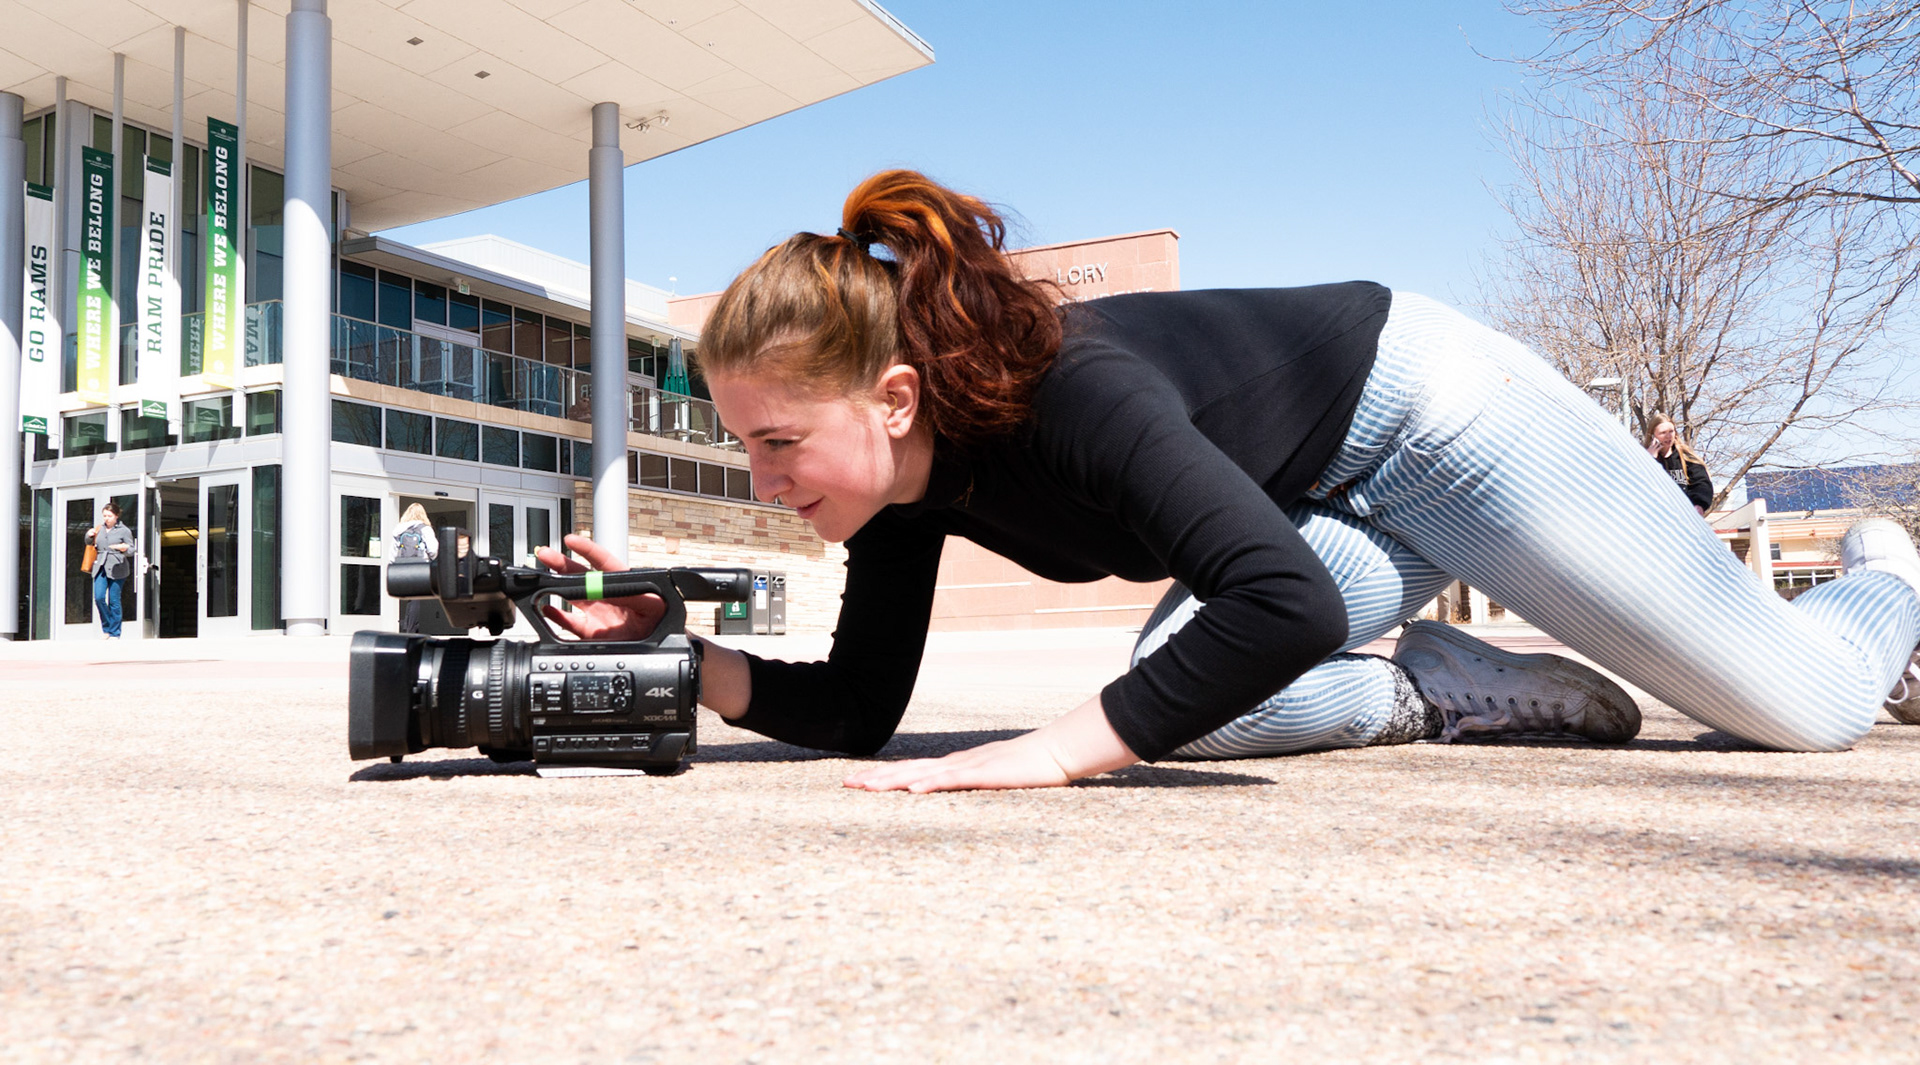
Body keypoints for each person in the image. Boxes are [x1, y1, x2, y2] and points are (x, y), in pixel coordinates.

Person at [535, 170, 1920, 791]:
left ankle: (1887, 582)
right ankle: (1432, 685)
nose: (766, 480)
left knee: (1801, 708)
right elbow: (853, 711)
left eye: (779, 443)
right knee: (1179, 710)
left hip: (1438, 423)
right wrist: (682, 655)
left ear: (891, 396)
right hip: (1310, 526)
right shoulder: (904, 482)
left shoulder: (1071, 397)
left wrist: (1051, 753)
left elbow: (1279, 604)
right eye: (747, 448)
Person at [1645, 412, 1714, 516]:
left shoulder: (1687, 459)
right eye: (1663, 433)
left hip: (1685, 517)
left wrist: (1699, 505)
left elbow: (1702, 484)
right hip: (1656, 517)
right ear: (1653, 435)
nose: (1668, 436)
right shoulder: (1643, 459)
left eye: (1671, 431)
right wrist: (1650, 461)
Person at [86, 502, 137, 640]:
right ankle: (107, 626)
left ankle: (115, 632)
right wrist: (89, 535)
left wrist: (123, 548)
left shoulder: (124, 530)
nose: (106, 518)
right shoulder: (100, 529)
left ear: (116, 516)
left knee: (114, 600)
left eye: (109, 516)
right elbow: (89, 543)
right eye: (104, 516)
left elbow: (132, 549)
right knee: (99, 597)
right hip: (101, 566)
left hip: (117, 567)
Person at [390, 503, 439, 634]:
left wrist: (393, 566)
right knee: (416, 598)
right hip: (419, 566)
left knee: (408, 598)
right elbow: (433, 550)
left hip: (402, 566)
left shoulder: (398, 530)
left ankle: (407, 626)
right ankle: (411, 629)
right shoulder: (425, 529)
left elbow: (392, 553)